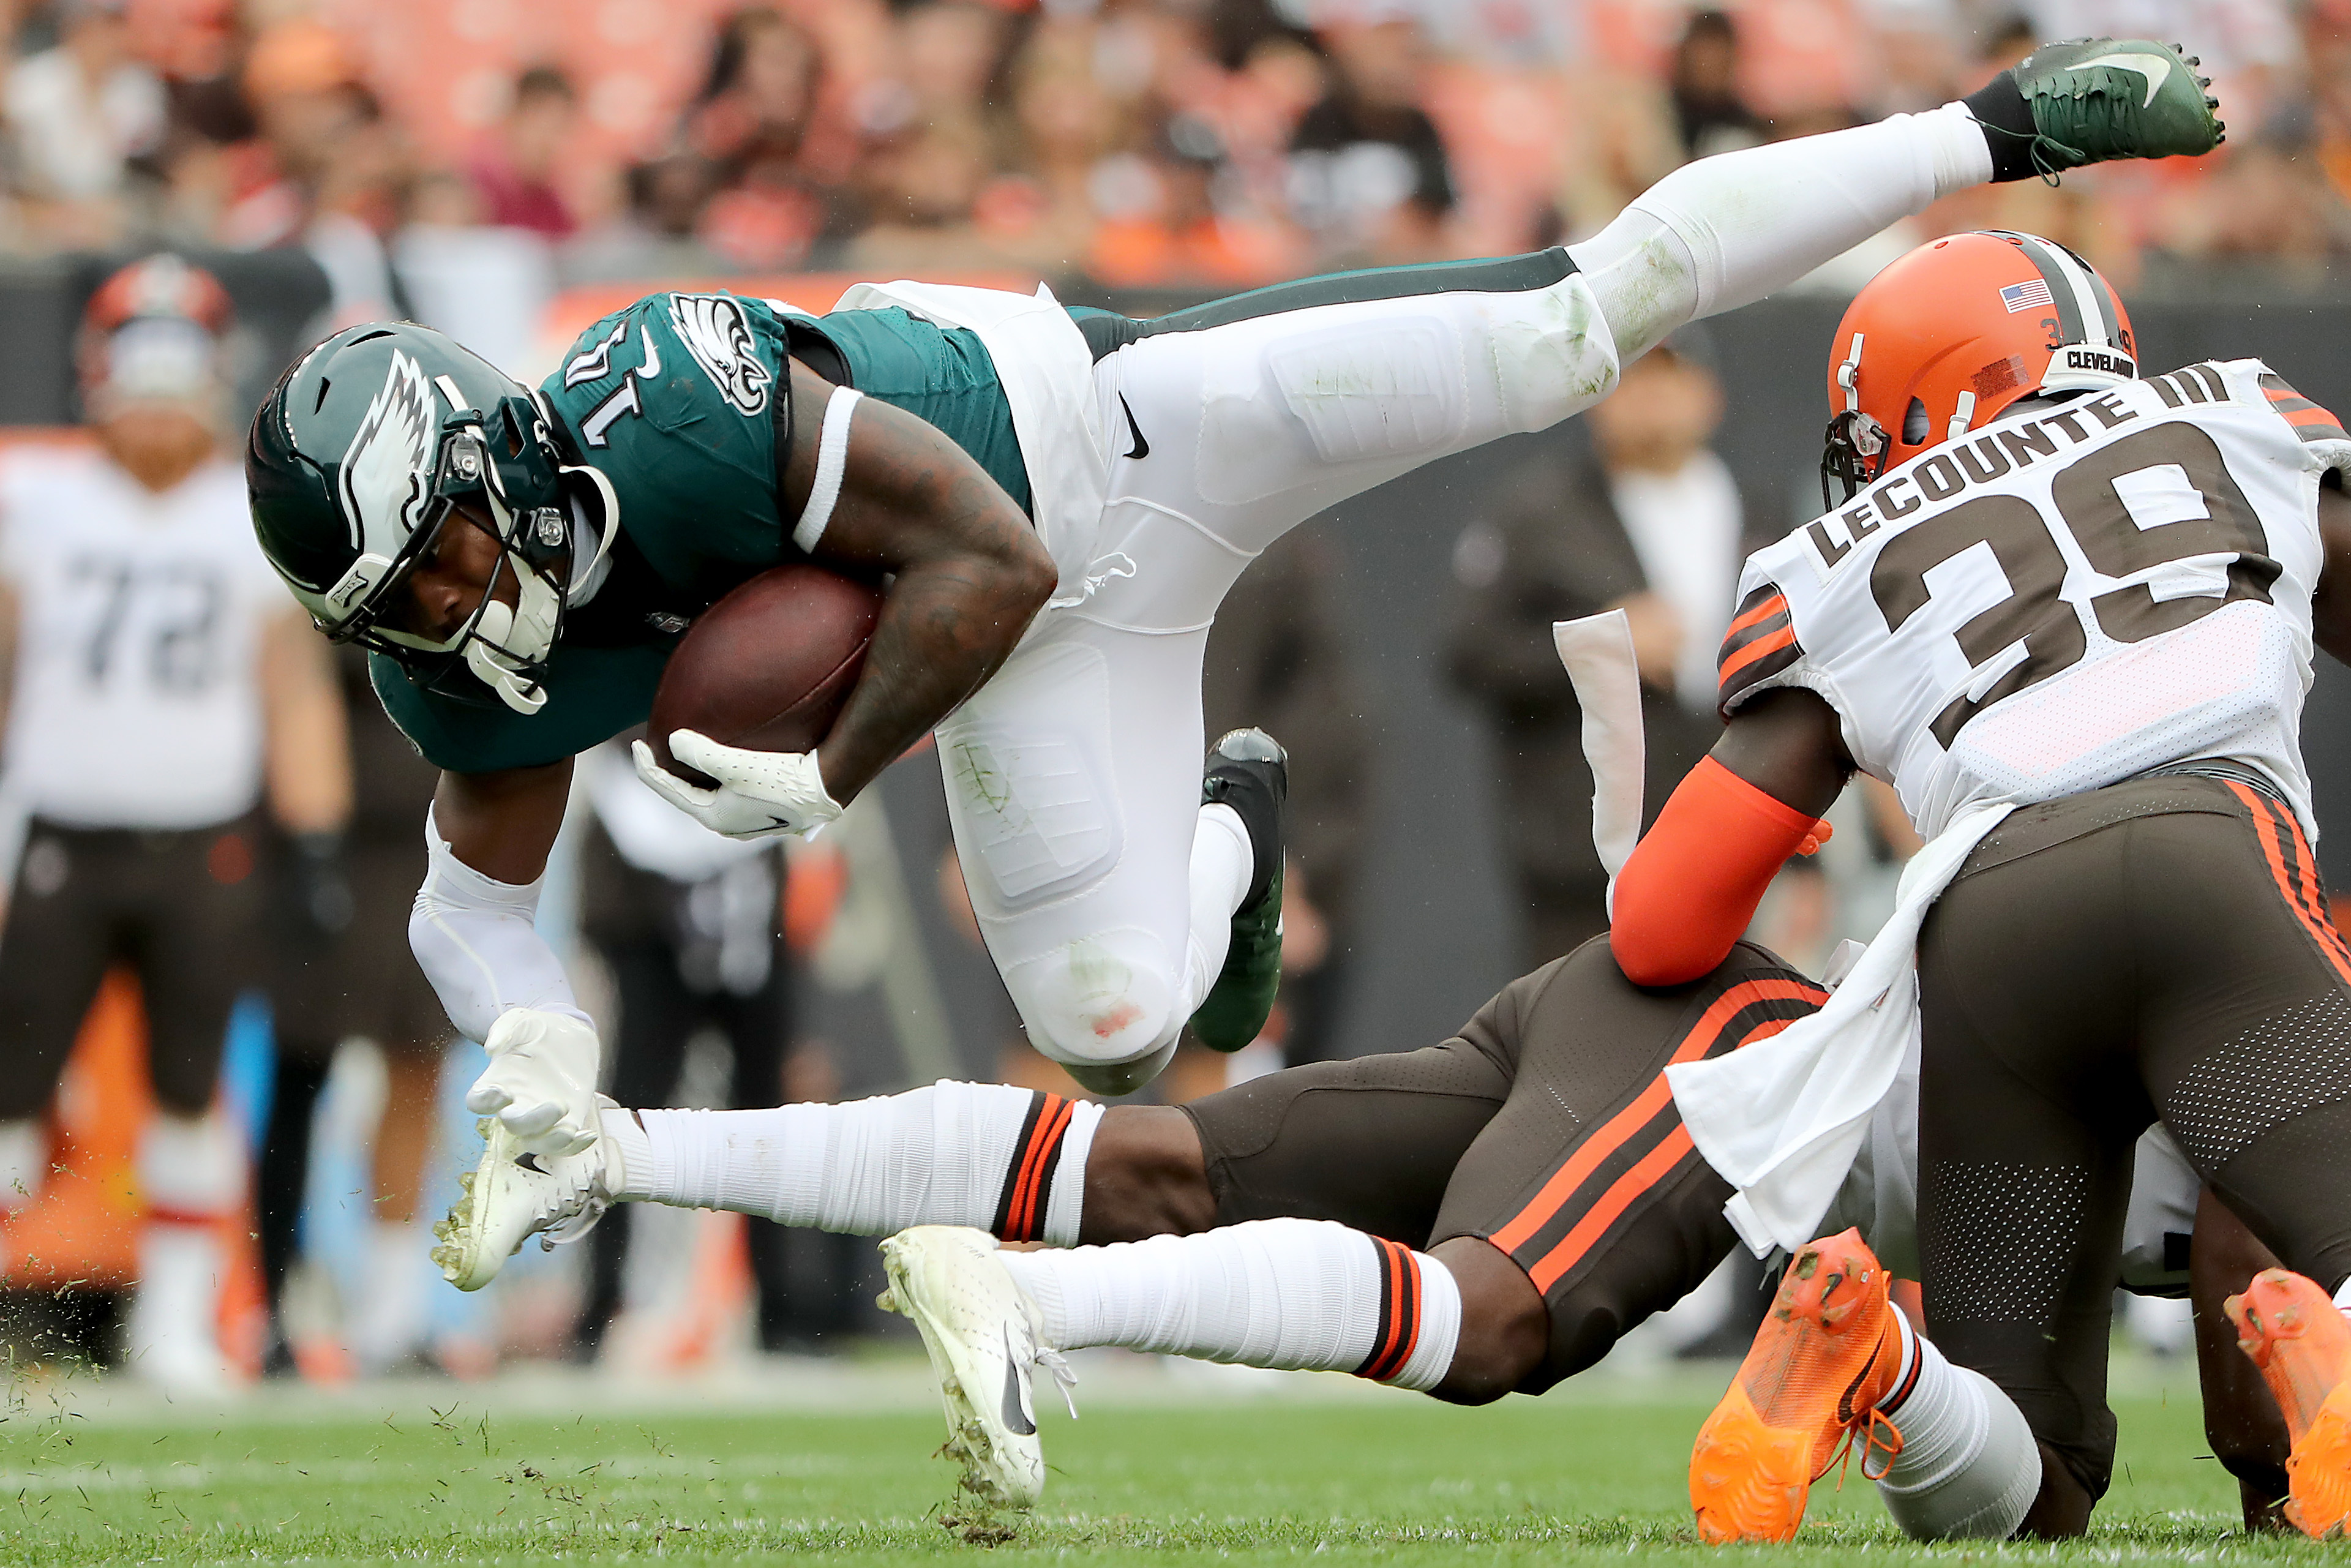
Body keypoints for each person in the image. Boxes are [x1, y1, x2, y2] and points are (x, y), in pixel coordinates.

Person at [242, 45, 2220, 1194]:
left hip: (1112, 440)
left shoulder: (665, 406)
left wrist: (822, 768)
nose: (437, 607)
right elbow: (467, 896)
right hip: (1018, 647)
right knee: (1110, 1039)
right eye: (386, 604)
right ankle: (1237, 836)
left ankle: (2001, 124)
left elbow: (993, 561)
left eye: (429, 554)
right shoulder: (456, 654)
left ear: (484, 452)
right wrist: (528, 1041)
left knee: (1569, 326)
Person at [1602, 228, 2351, 1542]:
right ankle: (2316, 1375)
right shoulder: (2237, 415)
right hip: (2213, 869)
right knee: (2313, 1225)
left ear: (1928, 389)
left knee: (2030, 1473)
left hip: (1991, 932)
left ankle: (1881, 1362)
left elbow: (1663, 923)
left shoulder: (1837, 550)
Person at [0, 255, 350, 1392]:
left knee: (192, 1090)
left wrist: (316, 836)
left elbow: (290, 689)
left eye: (177, 370)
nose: (157, 402)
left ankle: (180, 1326)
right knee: (11, 1090)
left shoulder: (247, 518)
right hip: (62, 831)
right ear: (96, 374)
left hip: (206, 841)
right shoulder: (35, 498)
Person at [1447, 329, 1773, 964]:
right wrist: (1597, 642)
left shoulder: (1755, 508)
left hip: (1731, 840)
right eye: (1633, 378)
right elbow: (1469, 651)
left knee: (1723, 1042)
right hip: (1582, 851)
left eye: (1668, 375)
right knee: (1584, 1042)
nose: (1649, 397)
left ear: (1709, 394)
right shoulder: (1539, 509)